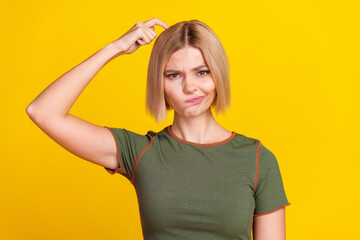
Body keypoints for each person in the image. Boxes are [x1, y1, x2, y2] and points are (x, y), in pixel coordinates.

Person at [26, 17, 291, 240]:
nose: (190, 87)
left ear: (218, 74)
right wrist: (115, 48)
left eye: (202, 72)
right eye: (174, 75)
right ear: (159, 83)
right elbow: (42, 112)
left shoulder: (257, 159)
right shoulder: (142, 152)